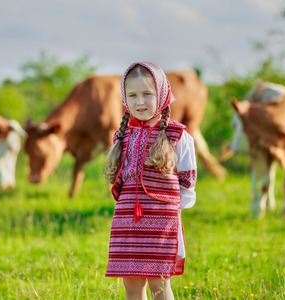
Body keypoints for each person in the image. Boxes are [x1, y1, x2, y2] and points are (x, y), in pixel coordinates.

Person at [105, 62, 197, 300]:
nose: (140, 102)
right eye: (132, 95)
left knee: (159, 286)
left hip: (162, 221)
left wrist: (171, 214)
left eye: (147, 94)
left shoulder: (178, 135)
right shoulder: (122, 135)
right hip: (127, 220)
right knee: (132, 286)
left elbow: (187, 183)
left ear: (163, 93)